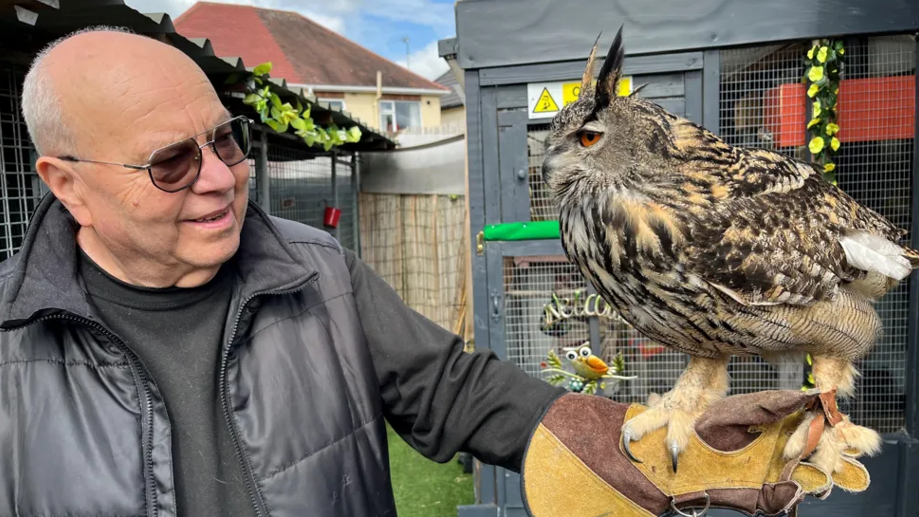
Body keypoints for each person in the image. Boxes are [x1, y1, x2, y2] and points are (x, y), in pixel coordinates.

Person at [0, 27, 862, 517]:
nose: (222, 176)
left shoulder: (314, 273)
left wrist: (632, 438)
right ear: (66, 183)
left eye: (225, 138)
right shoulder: (10, 345)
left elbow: (456, 389)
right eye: (170, 163)